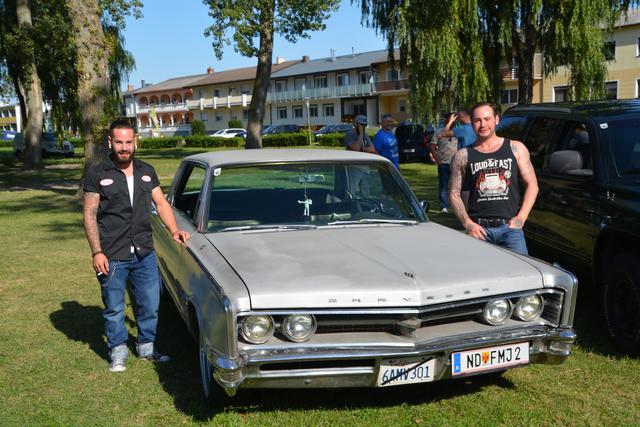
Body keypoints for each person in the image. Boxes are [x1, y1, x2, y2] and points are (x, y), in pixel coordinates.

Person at [83, 119, 190, 372]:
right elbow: (89, 214)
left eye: (128, 142)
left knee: (150, 304)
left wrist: (174, 230)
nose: (124, 147)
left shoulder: (146, 170)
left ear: (135, 142)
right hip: (112, 254)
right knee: (114, 308)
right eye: (118, 142)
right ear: (110, 142)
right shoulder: (98, 173)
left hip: (144, 252)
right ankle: (118, 351)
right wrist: (97, 252)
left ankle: (147, 347)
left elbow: (161, 204)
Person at [449, 103, 538, 255]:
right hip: (478, 231)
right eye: (477, 120)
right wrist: (468, 224)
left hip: (510, 231)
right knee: (479, 277)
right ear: (471, 123)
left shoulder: (516, 148)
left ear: (497, 119)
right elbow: (454, 193)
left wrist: (521, 218)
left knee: (521, 274)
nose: (483, 124)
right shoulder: (462, 156)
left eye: (487, 119)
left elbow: (533, 185)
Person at [429, 113, 458, 212]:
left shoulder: (458, 131)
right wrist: (438, 160)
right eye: (450, 120)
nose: (453, 122)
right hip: (444, 162)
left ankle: (456, 205)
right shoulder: (438, 132)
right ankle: (444, 206)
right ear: (446, 120)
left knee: (456, 185)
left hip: (456, 163)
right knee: (443, 185)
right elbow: (432, 146)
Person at [344, 115, 375, 197]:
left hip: (365, 169)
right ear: (355, 124)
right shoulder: (349, 135)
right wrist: (360, 134)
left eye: (364, 125)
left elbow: (372, 149)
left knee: (365, 193)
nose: (363, 127)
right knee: (352, 192)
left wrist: (362, 149)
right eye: (361, 125)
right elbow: (355, 149)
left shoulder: (366, 135)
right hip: (354, 168)